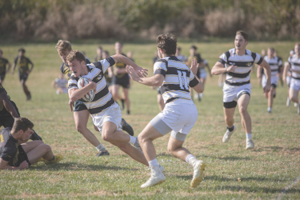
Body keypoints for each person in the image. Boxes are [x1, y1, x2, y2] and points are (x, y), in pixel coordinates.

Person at [127, 33, 206, 189]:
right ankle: (196, 163)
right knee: (174, 148)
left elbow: (157, 81)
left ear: (160, 50)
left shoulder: (161, 62)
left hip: (175, 108)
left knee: (143, 138)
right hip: (191, 109)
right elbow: (200, 88)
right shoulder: (184, 66)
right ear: (175, 50)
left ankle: (156, 173)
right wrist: (193, 73)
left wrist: (137, 79)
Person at [66, 50, 149, 168]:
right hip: (97, 117)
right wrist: (90, 86)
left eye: (74, 65)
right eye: (70, 66)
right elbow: (73, 96)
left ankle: (137, 141)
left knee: (106, 135)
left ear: (82, 63)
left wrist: (135, 66)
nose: (71, 68)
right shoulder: (73, 79)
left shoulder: (97, 66)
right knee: (123, 146)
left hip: (110, 109)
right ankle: (153, 166)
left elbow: (118, 57)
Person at [211, 30, 271, 149]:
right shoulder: (228, 55)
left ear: (246, 42)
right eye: (236, 39)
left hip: (244, 86)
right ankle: (230, 129)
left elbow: (266, 66)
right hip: (229, 88)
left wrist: (268, 83)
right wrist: (226, 69)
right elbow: (213, 70)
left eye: (240, 40)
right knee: (228, 119)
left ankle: (249, 139)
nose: (237, 42)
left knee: (242, 109)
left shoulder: (252, 56)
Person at [55, 40, 109, 157]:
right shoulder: (63, 67)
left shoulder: (83, 61)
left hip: (91, 94)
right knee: (80, 127)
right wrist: (72, 97)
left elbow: (93, 77)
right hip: (78, 97)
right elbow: (72, 83)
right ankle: (102, 150)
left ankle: (120, 125)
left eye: (65, 53)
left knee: (97, 126)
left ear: (71, 51)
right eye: (61, 55)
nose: (64, 57)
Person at [257, 47, 282, 113]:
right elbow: (259, 66)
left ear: (274, 52)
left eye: (272, 51)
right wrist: (258, 73)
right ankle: (272, 95)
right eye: (269, 51)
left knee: (270, 92)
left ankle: (269, 108)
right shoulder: (264, 59)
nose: (270, 53)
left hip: (274, 78)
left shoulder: (277, 59)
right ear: (267, 52)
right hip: (266, 78)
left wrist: (280, 73)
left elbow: (281, 68)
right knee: (266, 94)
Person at [111, 42, 131, 114]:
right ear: (115, 47)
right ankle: (120, 101)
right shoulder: (113, 56)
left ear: (121, 47)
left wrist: (121, 70)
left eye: (119, 46)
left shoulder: (124, 56)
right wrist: (110, 72)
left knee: (126, 96)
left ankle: (128, 110)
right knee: (114, 93)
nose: (118, 47)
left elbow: (128, 68)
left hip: (124, 77)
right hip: (116, 77)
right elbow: (110, 66)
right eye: (117, 46)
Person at [283, 43, 300, 114]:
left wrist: (295, 70)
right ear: (294, 50)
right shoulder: (291, 58)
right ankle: (299, 103)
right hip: (294, 80)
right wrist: (284, 75)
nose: (298, 50)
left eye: (299, 49)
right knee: (292, 97)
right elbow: (287, 66)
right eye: (296, 49)